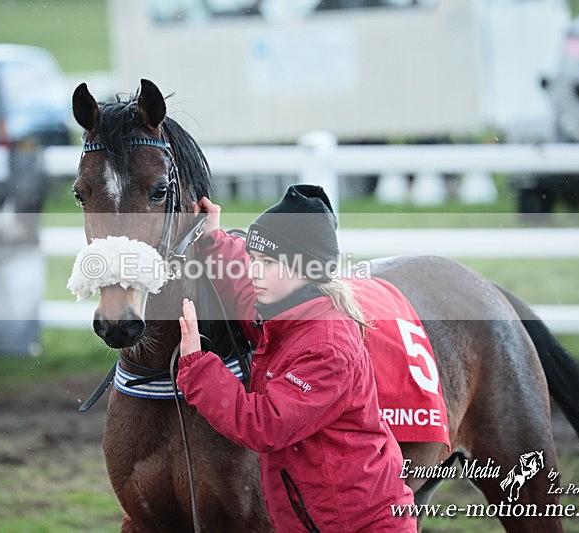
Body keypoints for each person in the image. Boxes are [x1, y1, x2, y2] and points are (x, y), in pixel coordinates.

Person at [176, 184, 416, 532]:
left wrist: (197, 368)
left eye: (268, 263)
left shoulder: (327, 347)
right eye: (253, 259)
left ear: (307, 271)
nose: (255, 271)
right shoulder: (287, 309)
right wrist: (214, 238)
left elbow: (264, 425)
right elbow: (243, 289)